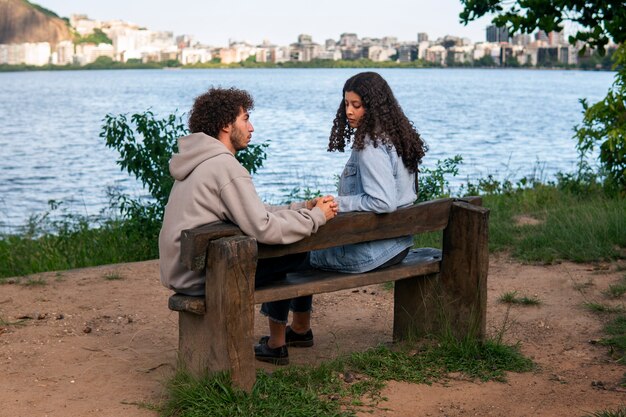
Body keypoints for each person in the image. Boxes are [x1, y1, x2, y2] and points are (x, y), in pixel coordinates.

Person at [257, 72, 427, 362]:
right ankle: (300, 328)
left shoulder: (371, 145)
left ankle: (276, 343)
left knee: (284, 252)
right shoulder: (397, 138)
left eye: (357, 105)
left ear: (373, 106)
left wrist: (335, 203)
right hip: (397, 245)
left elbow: (382, 201)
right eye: (346, 103)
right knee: (308, 244)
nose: (349, 110)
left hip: (372, 251)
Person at [158, 87, 338, 349]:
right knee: (297, 251)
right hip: (204, 276)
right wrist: (316, 218)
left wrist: (303, 207)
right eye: (245, 118)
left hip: (184, 269)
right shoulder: (224, 166)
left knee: (290, 245)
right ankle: (285, 338)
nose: (251, 127)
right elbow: (263, 226)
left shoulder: (200, 161)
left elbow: (255, 210)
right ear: (225, 125)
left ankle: (286, 337)